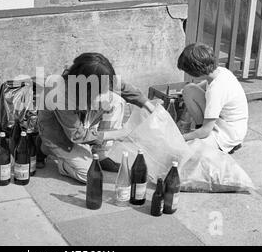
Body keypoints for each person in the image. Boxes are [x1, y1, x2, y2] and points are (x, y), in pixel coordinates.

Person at [37, 53, 155, 183]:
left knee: (116, 101)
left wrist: (148, 105)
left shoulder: (92, 76)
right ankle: (48, 149)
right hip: (59, 135)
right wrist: (118, 134)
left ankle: (100, 153)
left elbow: (122, 87)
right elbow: (77, 135)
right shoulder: (60, 94)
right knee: (89, 175)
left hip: (81, 119)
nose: (106, 88)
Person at [177, 43, 248, 154]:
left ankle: (219, 143)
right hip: (231, 123)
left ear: (196, 72)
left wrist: (181, 138)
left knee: (189, 150)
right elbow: (202, 86)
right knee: (189, 89)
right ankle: (200, 131)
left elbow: (206, 131)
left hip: (228, 133)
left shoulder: (216, 90)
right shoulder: (220, 72)